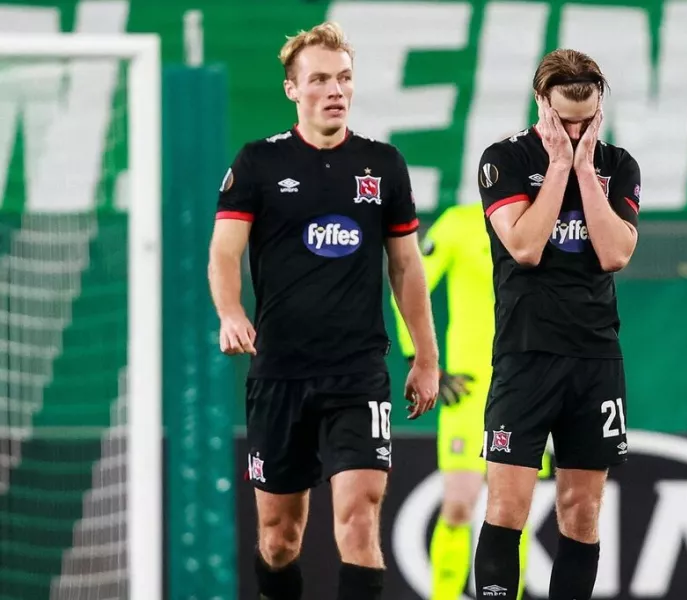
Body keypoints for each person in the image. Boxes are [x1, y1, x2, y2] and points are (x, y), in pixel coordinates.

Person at [207, 21, 440, 600]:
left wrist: (426, 357)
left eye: (344, 78)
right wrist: (231, 312)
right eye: (319, 80)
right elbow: (223, 253)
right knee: (279, 537)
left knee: (360, 520)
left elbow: (407, 267)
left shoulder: (383, 165)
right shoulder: (258, 163)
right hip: (280, 372)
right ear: (293, 89)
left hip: (358, 372)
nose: (335, 90)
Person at [472, 48, 641, 600]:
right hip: (526, 354)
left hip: (595, 359)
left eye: (588, 118)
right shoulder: (504, 159)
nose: (577, 129)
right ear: (541, 104)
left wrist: (586, 169)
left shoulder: (619, 165)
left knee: (581, 510)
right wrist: (560, 166)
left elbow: (615, 253)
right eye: (566, 120)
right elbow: (523, 245)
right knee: (508, 506)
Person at [391, 202, 553, 600]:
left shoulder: (549, 221)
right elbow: (411, 280)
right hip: (469, 388)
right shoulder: (460, 223)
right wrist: (419, 357)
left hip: (527, 387)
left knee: (513, 513)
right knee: (459, 506)